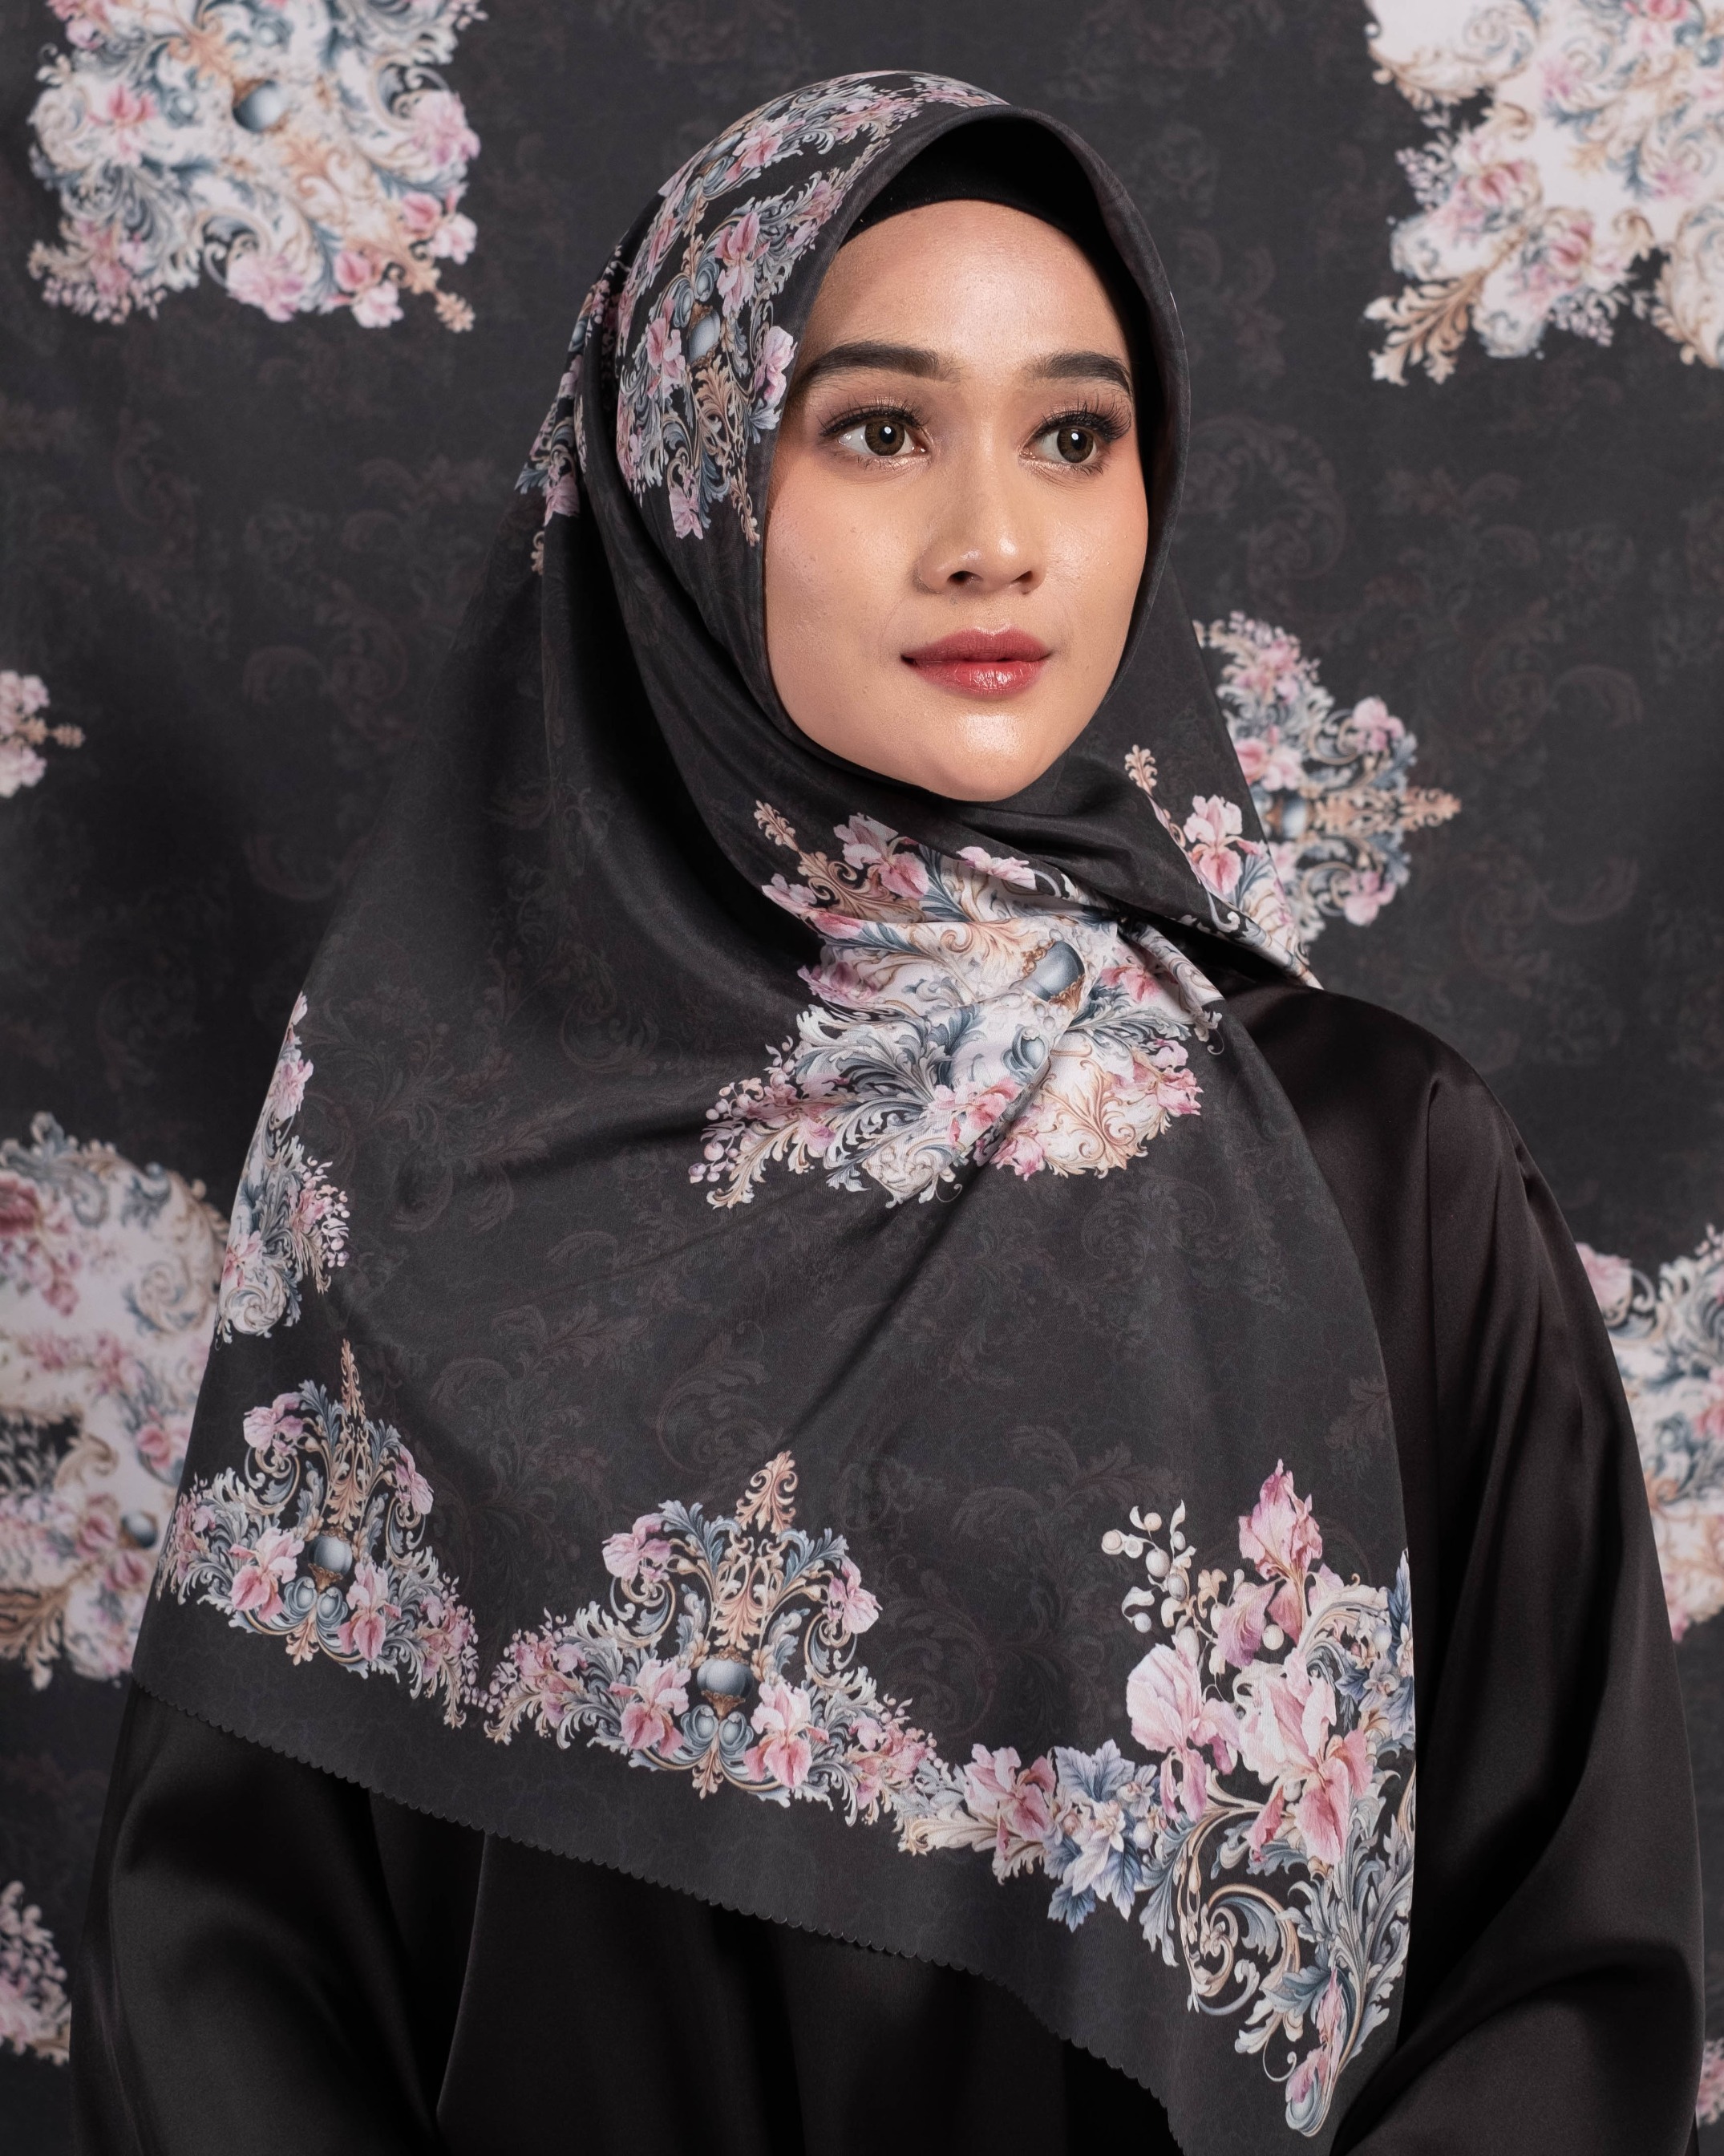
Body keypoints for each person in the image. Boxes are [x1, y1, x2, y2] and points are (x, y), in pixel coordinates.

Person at [71, 74, 1702, 2156]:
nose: (996, 537)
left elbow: (1558, 1972)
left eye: (1075, 437)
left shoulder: (1380, 1170)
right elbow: (224, 1970)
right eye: (877, 429)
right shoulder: (413, 1163)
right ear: (684, 472)